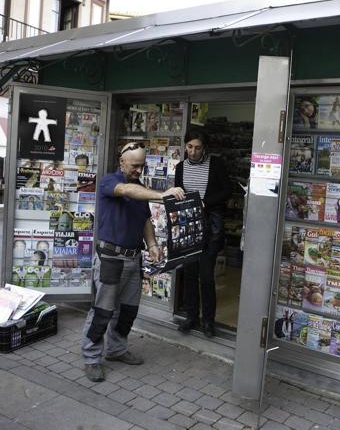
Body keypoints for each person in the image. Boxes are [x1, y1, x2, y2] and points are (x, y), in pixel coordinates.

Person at [81, 142, 185, 383]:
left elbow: (145, 219)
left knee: (127, 311)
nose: (139, 169)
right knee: (102, 311)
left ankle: (116, 350)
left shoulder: (139, 187)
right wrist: (161, 194)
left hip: (133, 258)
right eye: (135, 165)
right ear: (122, 162)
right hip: (110, 258)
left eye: (142, 165)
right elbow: (126, 191)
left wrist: (152, 245)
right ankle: (91, 358)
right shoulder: (109, 181)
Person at [175, 130, 232, 337]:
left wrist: (205, 202)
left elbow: (228, 190)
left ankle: (209, 321)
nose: (193, 151)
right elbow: (177, 191)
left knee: (206, 276)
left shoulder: (215, 164)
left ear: (204, 147)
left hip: (210, 228)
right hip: (189, 228)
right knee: (189, 274)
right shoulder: (180, 167)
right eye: (189, 147)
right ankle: (191, 317)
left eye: (197, 147)